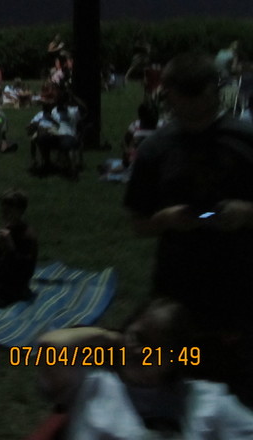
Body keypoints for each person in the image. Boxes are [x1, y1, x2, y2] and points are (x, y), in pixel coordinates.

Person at [125, 52, 253, 402]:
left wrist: (248, 212)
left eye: (196, 94)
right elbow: (138, 224)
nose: (188, 103)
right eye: (180, 94)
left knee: (238, 386)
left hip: (240, 289)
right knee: (175, 384)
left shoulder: (246, 141)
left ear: (213, 92)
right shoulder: (155, 150)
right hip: (176, 290)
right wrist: (164, 220)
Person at [37, 299, 253, 439]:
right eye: (137, 337)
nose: (141, 351)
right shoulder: (92, 381)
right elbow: (49, 347)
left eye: (155, 349)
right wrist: (108, 336)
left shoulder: (206, 402)